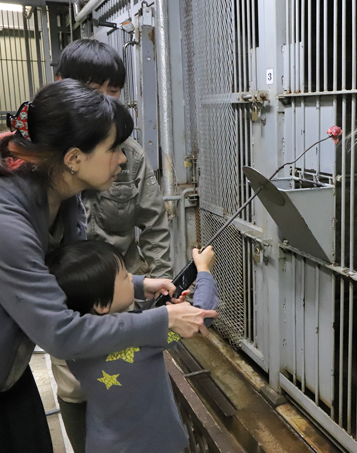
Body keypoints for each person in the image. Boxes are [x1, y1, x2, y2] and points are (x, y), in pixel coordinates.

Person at [0, 79, 216, 453]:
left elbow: (70, 278)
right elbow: (61, 333)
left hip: (11, 369)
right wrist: (161, 320)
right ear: (73, 158)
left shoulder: (63, 198)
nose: (122, 159)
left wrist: (137, 285)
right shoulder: (8, 224)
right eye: (113, 148)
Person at [53, 38, 174, 450]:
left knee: (128, 382)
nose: (103, 101)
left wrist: (160, 291)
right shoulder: (47, 161)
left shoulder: (129, 157)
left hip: (122, 297)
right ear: (61, 85)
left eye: (113, 91)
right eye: (91, 89)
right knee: (76, 390)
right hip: (68, 305)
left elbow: (154, 223)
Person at [46, 241, 218, 453]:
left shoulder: (72, 343)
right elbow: (202, 316)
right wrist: (203, 271)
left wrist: (161, 311)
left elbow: (129, 322)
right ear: (101, 305)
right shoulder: (140, 339)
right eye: (126, 277)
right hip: (154, 446)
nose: (132, 278)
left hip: (103, 444)